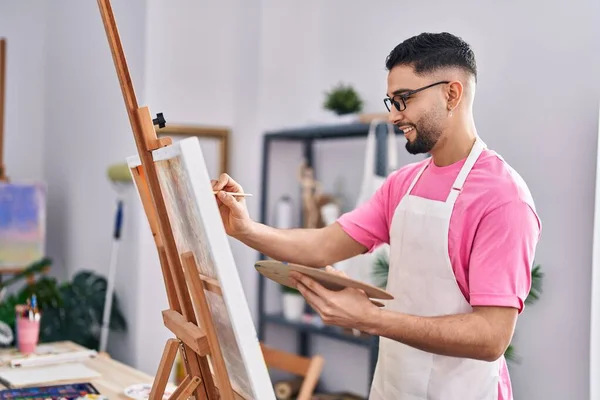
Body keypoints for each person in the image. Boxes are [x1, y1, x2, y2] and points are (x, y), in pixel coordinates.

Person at [212, 32, 541, 400]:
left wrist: (370, 318)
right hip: (394, 387)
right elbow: (324, 245)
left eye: (404, 100)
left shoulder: (503, 198)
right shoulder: (404, 184)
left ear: (452, 93)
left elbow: (491, 337)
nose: (393, 114)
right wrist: (245, 228)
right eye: (392, 101)